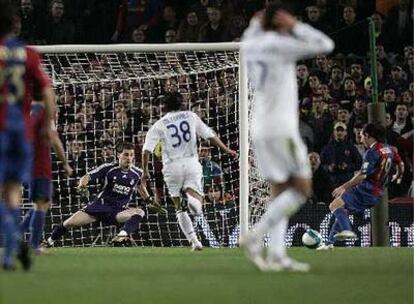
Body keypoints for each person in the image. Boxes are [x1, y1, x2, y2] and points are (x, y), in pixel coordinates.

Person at [240, 2, 334, 272]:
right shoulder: (279, 45)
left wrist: (258, 23)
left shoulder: (251, 43)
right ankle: (256, 235)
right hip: (281, 128)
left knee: (279, 191)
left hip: (258, 128)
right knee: (302, 189)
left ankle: (278, 255)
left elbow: (252, 31)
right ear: (281, 21)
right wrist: (296, 27)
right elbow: (325, 44)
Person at [141, 92, 237, 251]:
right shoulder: (191, 116)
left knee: (178, 207)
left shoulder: (159, 124)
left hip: (171, 167)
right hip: (192, 162)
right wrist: (226, 150)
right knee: (195, 199)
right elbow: (209, 135)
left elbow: (146, 150)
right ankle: (194, 202)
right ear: (182, 104)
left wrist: (145, 171)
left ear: (165, 106)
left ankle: (194, 241)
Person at [0, 1, 56, 271]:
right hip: (20, 130)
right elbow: (47, 93)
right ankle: (10, 253)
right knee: (13, 191)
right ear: (16, 25)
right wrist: (47, 125)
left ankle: (11, 241)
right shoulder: (29, 54)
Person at [43, 142, 162, 247]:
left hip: (118, 212)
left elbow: (141, 188)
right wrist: (82, 185)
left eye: (131, 155)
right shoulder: (108, 168)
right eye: (126, 154)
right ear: (118, 155)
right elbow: (87, 177)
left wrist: (150, 201)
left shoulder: (137, 173)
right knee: (69, 223)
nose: (129, 158)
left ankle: (121, 236)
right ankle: (48, 242)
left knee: (140, 212)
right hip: (98, 207)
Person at [317, 123, 404, 250]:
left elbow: (362, 175)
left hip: (366, 190)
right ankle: (329, 243)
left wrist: (344, 187)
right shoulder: (388, 149)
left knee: (333, 205)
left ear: (368, 136)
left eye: (362, 135)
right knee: (342, 210)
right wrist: (398, 176)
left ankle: (348, 231)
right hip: (377, 194)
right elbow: (400, 163)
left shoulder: (371, 152)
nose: (361, 138)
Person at [20, 101, 73, 254]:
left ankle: (18, 234)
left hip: (29, 164)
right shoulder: (44, 112)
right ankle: (34, 244)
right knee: (42, 204)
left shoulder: (27, 110)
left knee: (42, 203)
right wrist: (65, 163)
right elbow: (54, 140)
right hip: (40, 165)